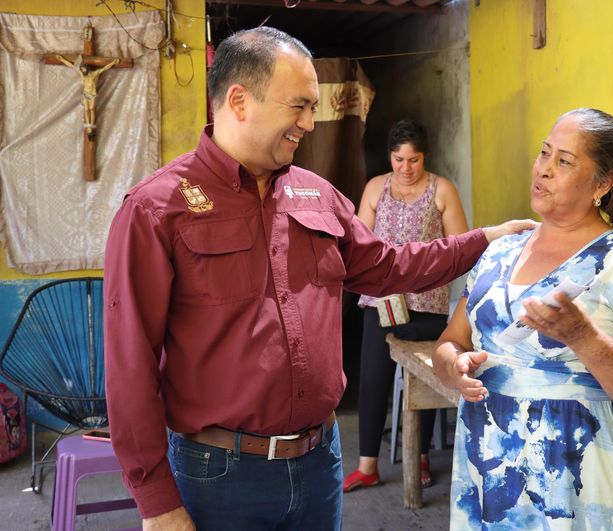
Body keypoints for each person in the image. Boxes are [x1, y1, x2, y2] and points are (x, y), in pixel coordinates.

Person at [103, 26, 533, 531]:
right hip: (218, 476)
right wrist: (156, 501)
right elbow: (130, 363)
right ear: (239, 100)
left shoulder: (317, 194)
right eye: (299, 106)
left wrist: (485, 240)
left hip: (318, 465)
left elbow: (389, 266)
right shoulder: (158, 208)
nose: (309, 122)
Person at [432, 108, 613, 530]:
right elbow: (451, 340)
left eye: (564, 161)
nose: (543, 169)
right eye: (544, 154)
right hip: (486, 469)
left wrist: (583, 336)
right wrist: (454, 366)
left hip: (574, 481)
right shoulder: (501, 251)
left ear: (602, 184)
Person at [343, 119, 469, 492]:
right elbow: (358, 243)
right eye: (399, 159)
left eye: (413, 160)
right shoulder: (374, 189)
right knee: (373, 379)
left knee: (423, 377)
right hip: (381, 301)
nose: (406, 168)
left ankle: (422, 458)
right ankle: (368, 465)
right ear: (390, 157)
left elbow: (460, 247)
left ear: (424, 157)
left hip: (426, 302)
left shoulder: (441, 190)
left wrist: (427, 265)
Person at [56, 54, 119, 131]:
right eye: (81, 70)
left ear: (86, 68)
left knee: (92, 109)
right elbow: (72, 66)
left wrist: (113, 62)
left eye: (83, 69)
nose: (82, 71)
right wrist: (61, 59)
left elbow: (105, 68)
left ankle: (92, 125)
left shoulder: (94, 74)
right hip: (85, 93)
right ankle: (88, 125)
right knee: (86, 110)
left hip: (93, 94)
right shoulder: (82, 75)